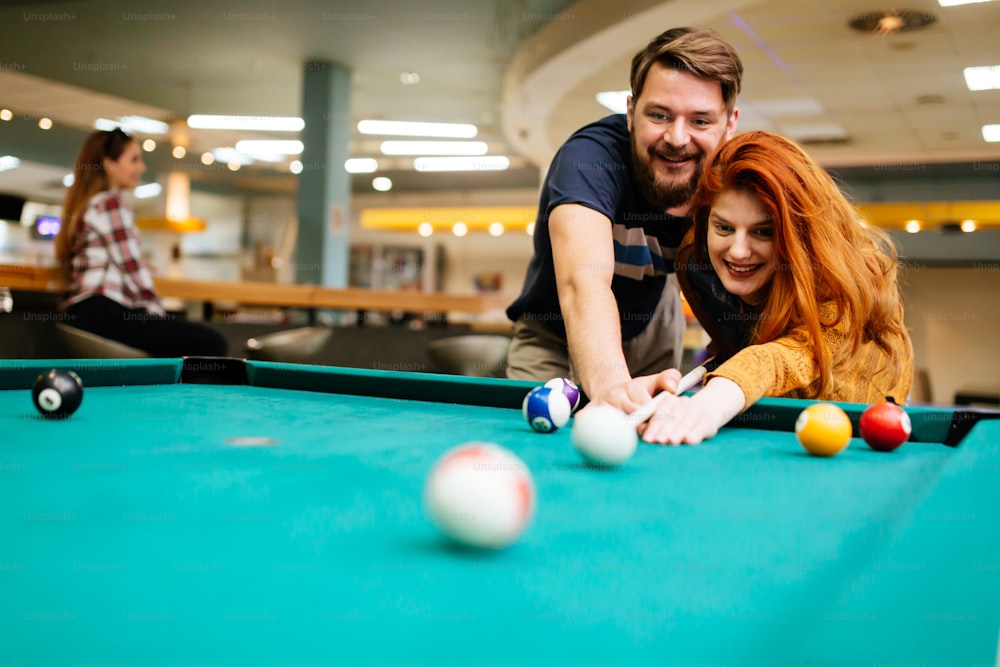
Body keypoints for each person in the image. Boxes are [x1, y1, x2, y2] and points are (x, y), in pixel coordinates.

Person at [621, 130, 914, 444]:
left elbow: (791, 356)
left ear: (797, 234)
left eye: (762, 232)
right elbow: (737, 336)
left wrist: (713, 400)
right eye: (723, 227)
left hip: (861, 416)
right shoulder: (697, 263)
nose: (737, 251)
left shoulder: (841, 285)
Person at [504, 27, 743, 410]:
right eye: (660, 115)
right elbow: (584, 281)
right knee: (541, 442)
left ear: (729, 124)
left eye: (700, 121)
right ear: (631, 112)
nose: (678, 138)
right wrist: (611, 385)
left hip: (654, 323)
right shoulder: (588, 160)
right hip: (556, 331)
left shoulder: (734, 181)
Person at [55, 128, 228, 357]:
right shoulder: (110, 204)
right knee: (212, 343)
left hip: (87, 312)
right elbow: (133, 270)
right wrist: (159, 318)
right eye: (134, 159)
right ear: (110, 165)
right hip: (102, 311)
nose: (142, 168)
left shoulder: (90, 205)